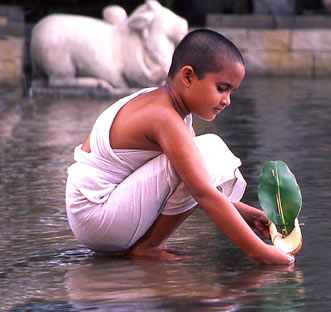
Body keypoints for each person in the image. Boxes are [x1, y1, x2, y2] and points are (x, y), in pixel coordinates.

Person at [65, 28, 295, 264]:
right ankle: (150, 246)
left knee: (201, 157)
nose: (227, 101)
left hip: (95, 217)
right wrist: (261, 252)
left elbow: (194, 185)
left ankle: (149, 244)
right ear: (188, 77)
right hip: (97, 216)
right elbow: (202, 192)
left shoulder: (172, 110)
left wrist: (248, 214)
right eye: (222, 88)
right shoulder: (164, 117)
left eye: (231, 92)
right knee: (210, 153)